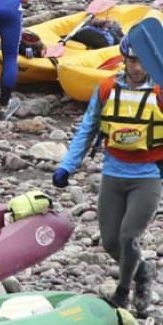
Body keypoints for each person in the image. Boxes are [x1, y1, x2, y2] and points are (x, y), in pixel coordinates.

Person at [52, 34, 161, 317]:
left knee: (128, 237)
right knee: (111, 241)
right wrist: (67, 165)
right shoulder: (106, 89)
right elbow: (87, 129)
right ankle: (142, 270)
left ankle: (123, 292)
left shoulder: (160, 92)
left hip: (147, 176)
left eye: (144, 61)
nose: (138, 67)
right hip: (113, 174)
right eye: (133, 60)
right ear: (124, 59)